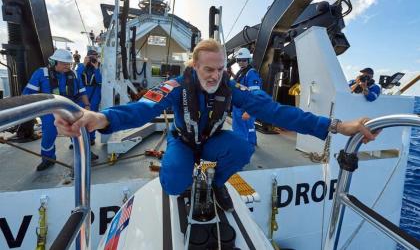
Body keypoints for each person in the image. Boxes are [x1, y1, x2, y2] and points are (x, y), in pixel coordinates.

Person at [55, 39, 377, 211]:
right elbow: (141, 108)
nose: (215, 75)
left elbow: (280, 113)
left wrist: (337, 126)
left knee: (242, 147)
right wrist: (102, 119)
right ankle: (188, 183)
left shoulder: (232, 89)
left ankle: (214, 182)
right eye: (208, 69)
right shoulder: (174, 87)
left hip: (211, 142)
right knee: (173, 184)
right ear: (194, 66)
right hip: (182, 142)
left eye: (220, 69)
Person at [23, 49, 98, 171]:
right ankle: (48, 159)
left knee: (80, 129)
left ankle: (85, 152)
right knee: (49, 133)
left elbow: (82, 91)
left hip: (70, 107)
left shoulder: (73, 74)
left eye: (69, 63)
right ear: (53, 63)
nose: (67, 66)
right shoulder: (41, 74)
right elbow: (28, 94)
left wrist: (87, 105)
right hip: (49, 109)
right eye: (64, 63)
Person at [232, 48, 262, 147]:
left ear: (248, 60)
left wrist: (249, 111)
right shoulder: (242, 72)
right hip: (241, 106)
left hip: (245, 108)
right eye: (238, 60)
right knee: (249, 127)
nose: (241, 62)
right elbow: (240, 84)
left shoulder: (251, 73)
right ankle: (251, 143)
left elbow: (255, 93)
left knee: (240, 129)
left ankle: (241, 150)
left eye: (244, 60)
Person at [76, 49, 102, 146]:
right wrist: (83, 64)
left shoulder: (99, 66)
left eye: (95, 56)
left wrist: (96, 68)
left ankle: (91, 138)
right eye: (91, 57)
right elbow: (77, 77)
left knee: (92, 115)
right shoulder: (80, 66)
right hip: (83, 92)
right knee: (79, 116)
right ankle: (78, 139)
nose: (93, 59)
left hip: (95, 92)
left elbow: (100, 80)